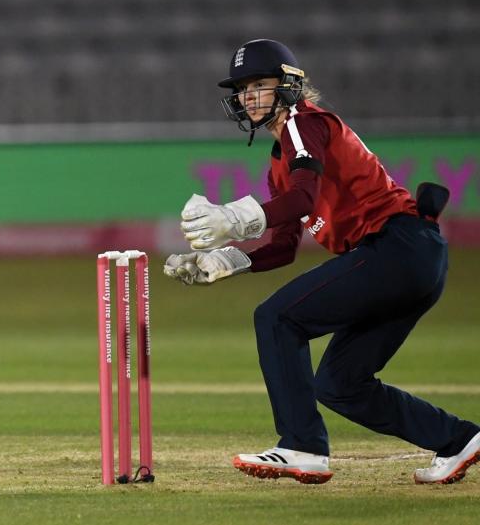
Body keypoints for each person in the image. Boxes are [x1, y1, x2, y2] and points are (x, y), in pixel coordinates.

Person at [163, 39, 480, 485]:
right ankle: (459, 439)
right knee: (339, 383)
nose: (249, 97)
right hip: (412, 259)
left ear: (289, 86)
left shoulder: (301, 123)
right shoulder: (283, 159)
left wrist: (234, 217)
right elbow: (285, 244)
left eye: (259, 85)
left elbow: (303, 199)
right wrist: (225, 260)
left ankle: (301, 445)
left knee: (276, 318)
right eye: (243, 89)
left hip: (395, 248)